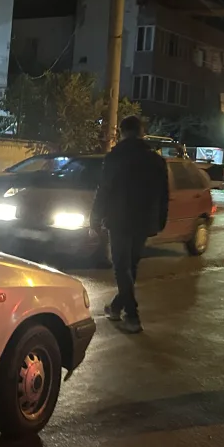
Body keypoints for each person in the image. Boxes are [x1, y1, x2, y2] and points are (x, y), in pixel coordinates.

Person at [90, 115, 169, 334]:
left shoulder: (115, 158)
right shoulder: (156, 160)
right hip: (144, 221)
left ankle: (132, 316)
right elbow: (164, 195)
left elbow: (104, 189)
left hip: (120, 219)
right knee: (130, 266)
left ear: (122, 133)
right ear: (142, 133)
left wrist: (95, 217)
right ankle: (116, 307)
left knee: (121, 266)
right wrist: (160, 220)